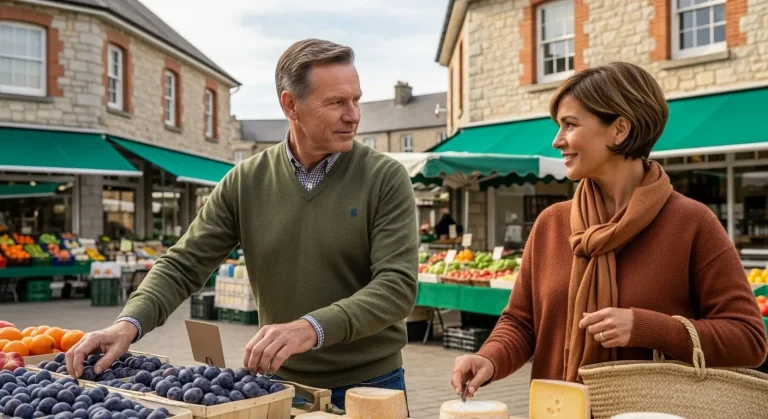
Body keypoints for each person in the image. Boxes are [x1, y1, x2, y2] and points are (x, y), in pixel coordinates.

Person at [66, 39, 419, 410]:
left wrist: (311, 328)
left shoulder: (385, 178)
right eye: (336, 102)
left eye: (356, 100)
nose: (353, 115)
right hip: (280, 386)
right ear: (290, 105)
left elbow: (396, 287)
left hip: (371, 386)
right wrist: (127, 324)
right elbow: (183, 264)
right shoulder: (245, 181)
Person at [451, 62, 768, 396]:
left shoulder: (692, 223)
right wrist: (489, 357)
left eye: (570, 124)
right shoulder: (551, 224)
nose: (557, 141)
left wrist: (648, 327)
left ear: (620, 129)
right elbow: (521, 322)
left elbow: (749, 339)